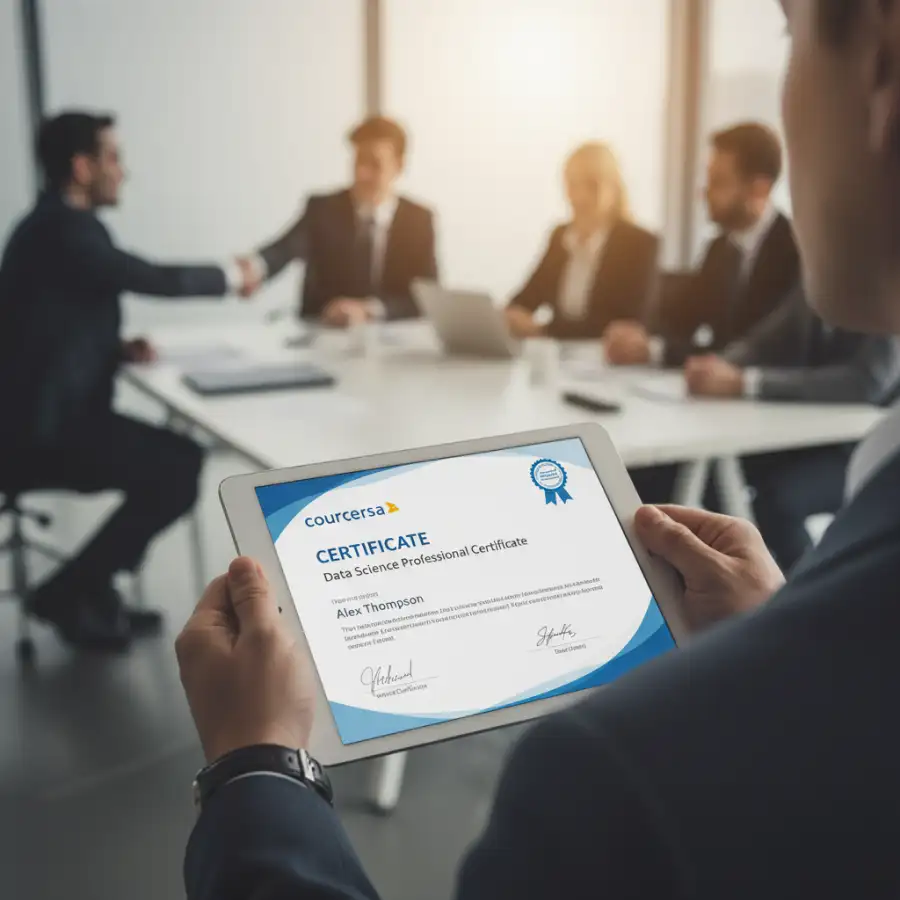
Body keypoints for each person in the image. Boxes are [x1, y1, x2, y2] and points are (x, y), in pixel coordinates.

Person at [178, 0, 900, 895]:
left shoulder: (604, 788)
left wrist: (254, 772)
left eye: (788, 34)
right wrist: (775, 659)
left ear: (879, 63)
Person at [0, 111, 256, 652]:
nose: (124, 171)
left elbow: (46, 322)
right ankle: (72, 591)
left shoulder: (50, 227)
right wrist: (233, 275)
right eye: (113, 158)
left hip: (45, 419)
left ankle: (90, 590)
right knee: (176, 465)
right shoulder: (63, 230)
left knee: (174, 459)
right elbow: (147, 276)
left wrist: (114, 348)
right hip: (38, 435)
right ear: (82, 166)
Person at [636, 287, 900, 569]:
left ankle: (795, 592)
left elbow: (866, 383)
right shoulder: (816, 284)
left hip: (857, 450)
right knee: (715, 482)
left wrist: (746, 383)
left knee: (777, 502)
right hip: (801, 440)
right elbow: (763, 342)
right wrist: (722, 365)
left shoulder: (885, 286)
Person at [604, 121, 799, 366]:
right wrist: (640, 336)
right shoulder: (719, 250)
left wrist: (658, 352)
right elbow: (680, 319)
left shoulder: (796, 252)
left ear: (758, 189)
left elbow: (758, 351)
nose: (704, 193)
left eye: (718, 182)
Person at [238, 116, 438, 326]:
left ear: (399, 165)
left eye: (375, 164)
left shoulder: (419, 221)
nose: (363, 173)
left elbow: (428, 297)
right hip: (322, 336)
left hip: (392, 342)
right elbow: (285, 248)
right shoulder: (322, 209)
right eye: (358, 160)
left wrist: (369, 310)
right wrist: (255, 267)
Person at [505, 142, 659, 341]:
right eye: (572, 184)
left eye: (592, 185)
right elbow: (526, 299)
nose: (580, 195)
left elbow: (624, 325)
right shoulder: (561, 237)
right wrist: (509, 316)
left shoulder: (639, 244)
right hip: (562, 359)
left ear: (614, 187)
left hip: (610, 365)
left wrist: (544, 330)